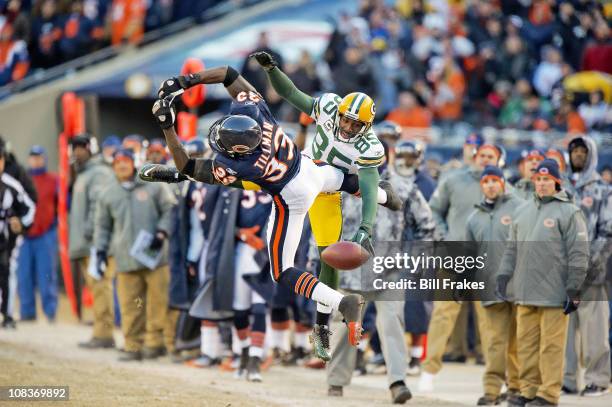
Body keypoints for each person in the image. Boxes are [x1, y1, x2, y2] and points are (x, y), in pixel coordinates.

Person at [156, 61, 401, 362]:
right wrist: (184, 81)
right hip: (310, 168)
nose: (348, 126)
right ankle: (386, 195)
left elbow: (190, 166)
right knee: (342, 180)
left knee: (281, 271)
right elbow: (228, 74)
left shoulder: (241, 164)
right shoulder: (261, 117)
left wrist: (168, 126)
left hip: (292, 196)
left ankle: (342, 303)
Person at [250, 50, 400, 361]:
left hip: (330, 188)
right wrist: (272, 69)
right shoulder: (329, 107)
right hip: (302, 173)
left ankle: (321, 330)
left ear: (368, 125)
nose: (347, 126)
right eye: (345, 119)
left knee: (328, 257)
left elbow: (368, 190)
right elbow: (291, 93)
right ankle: (184, 172)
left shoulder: (370, 144)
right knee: (252, 177)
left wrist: (365, 227)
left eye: (355, 123)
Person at [498, 159, 589, 407]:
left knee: (551, 347)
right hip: (525, 292)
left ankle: (548, 395)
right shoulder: (522, 211)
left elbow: (579, 254)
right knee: (526, 346)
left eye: (547, 179)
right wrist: (504, 275)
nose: (541, 184)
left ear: (557, 181)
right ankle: (528, 391)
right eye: (538, 179)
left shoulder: (570, 212)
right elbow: (511, 249)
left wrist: (574, 288)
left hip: (554, 294)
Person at [419, 143, 503, 392]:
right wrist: (444, 237)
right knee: (443, 314)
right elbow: (434, 211)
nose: (485, 159)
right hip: (455, 255)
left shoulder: (503, 187)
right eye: (482, 155)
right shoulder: (453, 180)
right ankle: (429, 371)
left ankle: (495, 376)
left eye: (491, 156)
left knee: (489, 320)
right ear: (475, 156)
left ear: (498, 160)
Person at [94, 148, 175, 361]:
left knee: (158, 302)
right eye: (118, 162)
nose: (122, 165)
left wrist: (162, 231)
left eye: (126, 161)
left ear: (134, 163)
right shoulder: (107, 193)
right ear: (113, 166)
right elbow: (102, 226)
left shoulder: (154, 185)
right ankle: (133, 345)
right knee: (131, 305)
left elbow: (169, 209)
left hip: (155, 257)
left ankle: (155, 344)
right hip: (125, 259)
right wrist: (101, 250)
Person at [466, 166, 524, 405]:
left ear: (503, 183)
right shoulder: (475, 216)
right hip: (490, 287)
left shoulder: (520, 207)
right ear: (481, 185)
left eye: (494, 180)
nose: (490, 185)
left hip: (519, 286)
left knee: (519, 342)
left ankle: (517, 388)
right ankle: (491, 391)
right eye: (486, 181)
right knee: (494, 343)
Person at [563, 136, 611, 396]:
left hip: (594, 273)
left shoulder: (604, 190)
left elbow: (608, 232)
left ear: (591, 154)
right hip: (563, 272)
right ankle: (567, 379)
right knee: (565, 332)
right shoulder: (560, 187)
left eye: (583, 151)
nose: (578, 155)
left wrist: (590, 265)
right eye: (574, 151)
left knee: (595, 330)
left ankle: (599, 379)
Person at [70, 134, 115, 347]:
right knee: (96, 287)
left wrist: (91, 232)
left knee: (100, 286)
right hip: (88, 243)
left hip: (97, 242)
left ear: (91, 149)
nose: (77, 151)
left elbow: (99, 204)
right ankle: (100, 331)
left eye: (82, 147)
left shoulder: (98, 173)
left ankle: (104, 334)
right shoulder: (85, 173)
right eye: (75, 147)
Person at [17, 146, 58, 322]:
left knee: (46, 274)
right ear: (28, 160)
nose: (36, 160)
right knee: (23, 275)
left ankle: (50, 312)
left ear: (44, 159)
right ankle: (27, 312)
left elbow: (63, 204)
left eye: (39, 157)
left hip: (46, 234)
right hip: (24, 236)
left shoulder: (54, 180)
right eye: (33, 157)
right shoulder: (20, 180)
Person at [0, 142, 35, 328]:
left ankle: (7, 315)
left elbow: (29, 207)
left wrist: (21, 223)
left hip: (5, 240)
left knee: (6, 273)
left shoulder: (11, 185)